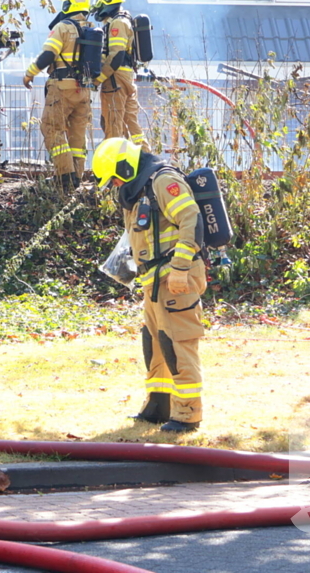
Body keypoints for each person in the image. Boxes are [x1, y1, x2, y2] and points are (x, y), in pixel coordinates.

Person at [91, 137, 206, 433]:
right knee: (155, 345)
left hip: (176, 278)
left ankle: (187, 414)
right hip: (153, 281)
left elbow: (190, 219)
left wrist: (180, 268)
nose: (115, 185)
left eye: (115, 178)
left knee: (178, 345)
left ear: (126, 166)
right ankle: (159, 406)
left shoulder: (163, 181)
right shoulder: (137, 189)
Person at [23, 0, 95, 190]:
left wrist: (29, 74)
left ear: (69, 5)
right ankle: (77, 178)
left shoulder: (63, 27)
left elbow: (48, 55)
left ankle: (64, 176)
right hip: (84, 91)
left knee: (52, 128)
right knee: (77, 135)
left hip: (62, 88)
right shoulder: (91, 29)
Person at [90, 0, 148, 151]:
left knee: (113, 126)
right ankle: (146, 161)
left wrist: (97, 79)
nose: (97, 1)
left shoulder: (117, 23)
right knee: (130, 124)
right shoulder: (122, 19)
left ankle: (114, 170)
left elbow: (116, 56)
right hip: (126, 78)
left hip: (115, 81)